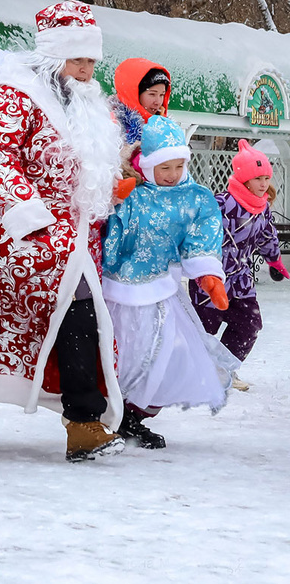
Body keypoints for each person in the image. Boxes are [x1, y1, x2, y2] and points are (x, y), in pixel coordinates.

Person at [0, 1, 127, 463]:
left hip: (72, 235)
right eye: (77, 59)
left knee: (73, 311)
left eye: (92, 61)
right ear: (52, 55)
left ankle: (83, 421)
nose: (86, 70)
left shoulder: (83, 98)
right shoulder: (13, 93)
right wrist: (30, 214)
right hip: (8, 231)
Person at [102, 116, 239, 448]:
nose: (173, 174)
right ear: (147, 165)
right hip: (119, 291)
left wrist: (208, 274)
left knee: (169, 354)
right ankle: (114, 413)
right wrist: (112, 203)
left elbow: (200, 235)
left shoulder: (193, 198)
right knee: (125, 355)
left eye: (179, 165)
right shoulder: (132, 193)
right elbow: (107, 235)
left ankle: (137, 415)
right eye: (164, 167)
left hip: (163, 293)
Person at [189, 139, 288, 391]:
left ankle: (223, 370)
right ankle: (193, 374)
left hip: (241, 279)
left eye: (266, 177)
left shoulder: (262, 208)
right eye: (258, 178)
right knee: (203, 330)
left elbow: (267, 236)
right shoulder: (222, 204)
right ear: (244, 179)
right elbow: (196, 232)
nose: (264, 183)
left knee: (249, 325)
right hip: (211, 278)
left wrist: (274, 261)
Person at [110, 58, 172, 144]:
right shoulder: (112, 124)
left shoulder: (168, 130)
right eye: (152, 94)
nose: (158, 102)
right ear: (134, 94)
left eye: (162, 95)